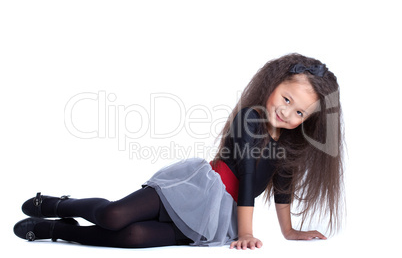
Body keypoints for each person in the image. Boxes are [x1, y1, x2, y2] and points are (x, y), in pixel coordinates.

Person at [13, 53, 345, 250]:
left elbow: (282, 192)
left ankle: (55, 231)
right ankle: (57, 204)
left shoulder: (289, 147)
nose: (288, 114)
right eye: (287, 100)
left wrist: (289, 231)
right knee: (113, 216)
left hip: (216, 217)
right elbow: (245, 177)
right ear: (274, 85)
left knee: (133, 237)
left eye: (300, 113)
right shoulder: (250, 119)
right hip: (195, 190)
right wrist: (246, 232)